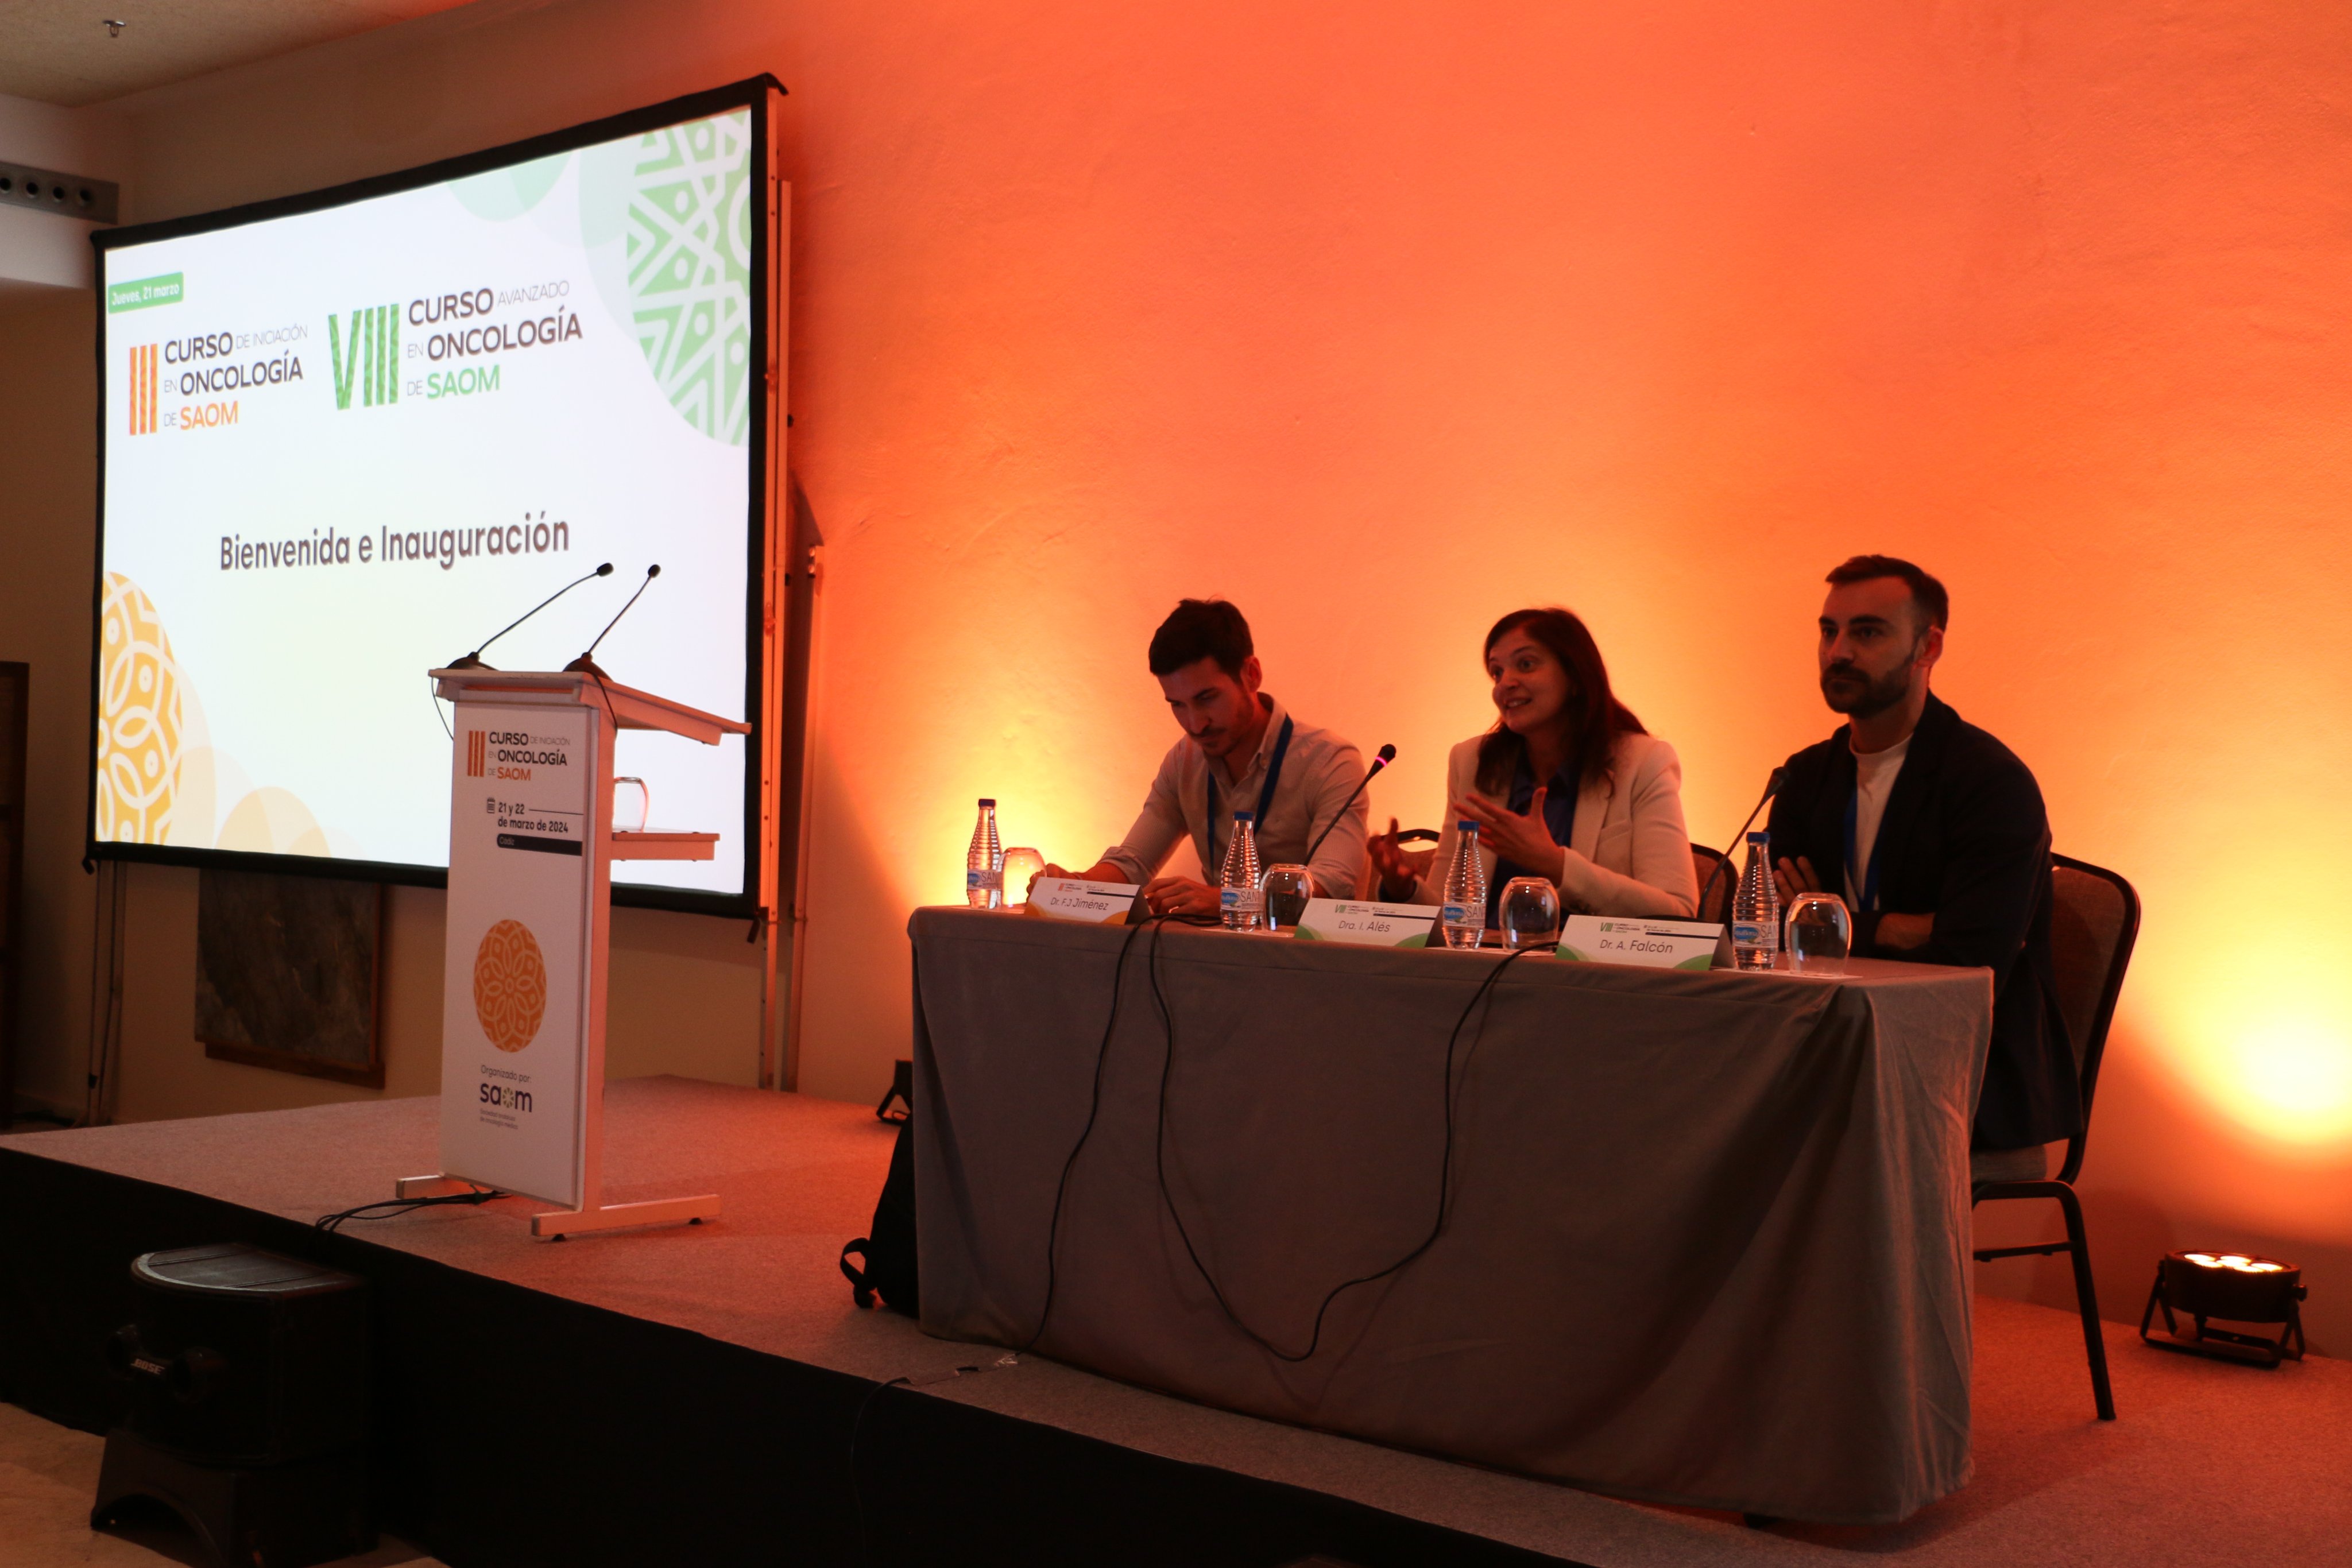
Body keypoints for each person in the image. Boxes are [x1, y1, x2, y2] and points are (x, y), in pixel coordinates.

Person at [1766, 555, 2076, 1183]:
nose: (1838, 651)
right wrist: (1897, 927)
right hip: (1826, 1061)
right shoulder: (1803, 777)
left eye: (1867, 632)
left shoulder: (1990, 782)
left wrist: (1834, 923)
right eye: (1829, 631)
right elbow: (1771, 934)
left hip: (1963, 1085)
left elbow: (1968, 958)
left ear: (1927, 647)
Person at [1039, 598, 1371, 917]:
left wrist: (1226, 900)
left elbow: (1329, 890)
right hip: (1212, 950)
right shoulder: (1184, 761)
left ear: (1252, 674)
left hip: (1307, 954)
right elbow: (1133, 864)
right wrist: (1073, 885)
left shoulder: (1331, 762)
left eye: (1207, 698)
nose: (1195, 724)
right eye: (1177, 705)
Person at [1368, 607, 1697, 920]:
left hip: (1584, 962)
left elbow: (1676, 913)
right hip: (1484, 959)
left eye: (1525, 665)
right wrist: (1405, 891)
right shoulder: (1471, 762)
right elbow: (1451, 915)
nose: (1505, 683)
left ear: (1576, 676)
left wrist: (1557, 865)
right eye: (1497, 672)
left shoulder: (1643, 763)